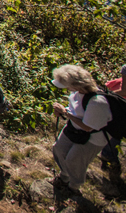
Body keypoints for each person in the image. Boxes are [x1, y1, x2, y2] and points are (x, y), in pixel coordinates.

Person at [51, 64, 113, 195]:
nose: (66, 89)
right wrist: (63, 112)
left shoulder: (97, 102)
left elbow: (88, 127)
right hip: (75, 129)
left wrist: (66, 113)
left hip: (93, 138)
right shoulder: (76, 93)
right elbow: (75, 111)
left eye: (67, 86)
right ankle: (65, 176)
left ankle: (74, 187)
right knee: (58, 149)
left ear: (75, 84)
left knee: (75, 160)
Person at [100, 64, 126, 171]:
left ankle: (109, 155)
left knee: (117, 129)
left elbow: (124, 91)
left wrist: (106, 94)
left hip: (122, 106)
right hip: (122, 106)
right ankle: (109, 156)